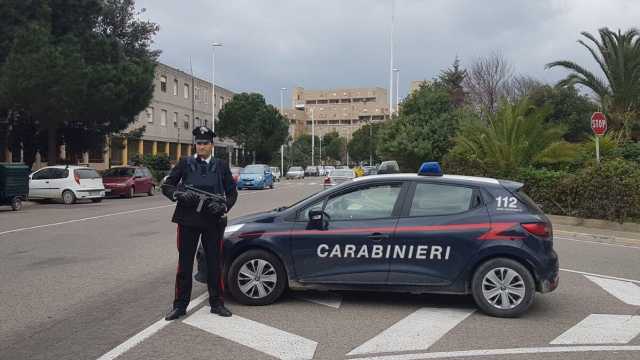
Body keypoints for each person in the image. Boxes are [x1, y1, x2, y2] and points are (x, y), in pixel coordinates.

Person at [162, 126, 238, 320]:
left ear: (212, 145)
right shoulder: (184, 163)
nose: (201, 146)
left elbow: (232, 192)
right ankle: (180, 306)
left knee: (214, 263)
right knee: (184, 264)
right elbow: (168, 185)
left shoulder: (221, 165)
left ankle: (217, 303)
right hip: (188, 220)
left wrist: (223, 207)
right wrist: (178, 194)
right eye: (198, 143)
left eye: (205, 143)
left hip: (213, 221)